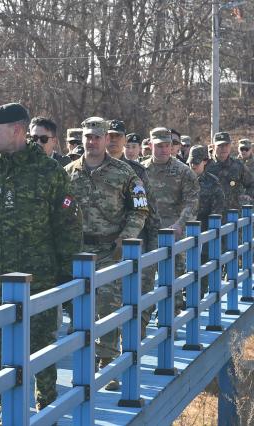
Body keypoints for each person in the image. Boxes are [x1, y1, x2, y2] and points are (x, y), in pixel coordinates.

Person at [0, 103, 82, 412]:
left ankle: (47, 407)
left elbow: (67, 223)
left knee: (41, 347)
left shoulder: (49, 171)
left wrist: (67, 271)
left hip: (39, 277)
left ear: (16, 130)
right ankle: (9, 409)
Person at [65, 117, 148, 391]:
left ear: (105, 140)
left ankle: (107, 363)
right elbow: (59, 210)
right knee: (80, 309)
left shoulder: (124, 173)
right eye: (88, 137)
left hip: (110, 249)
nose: (92, 142)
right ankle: (84, 360)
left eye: (97, 137)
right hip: (78, 251)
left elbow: (140, 207)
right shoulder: (68, 173)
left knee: (107, 307)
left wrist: (126, 238)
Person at [106, 121, 161, 337]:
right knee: (107, 303)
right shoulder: (88, 169)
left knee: (139, 297)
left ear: (125, 140)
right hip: (104, 249)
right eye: (109, 135)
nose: (112, 140)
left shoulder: (136, 172)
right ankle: (107, 354)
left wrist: (155, 251)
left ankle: (135, 338)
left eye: (117, 136)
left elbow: (151, 212)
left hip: (135, 245)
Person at [142, 127, 199, 313]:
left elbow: (192, 202)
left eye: (167, 145)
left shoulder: (183, 172)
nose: (164, 149)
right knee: (144, 283)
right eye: (159, 146)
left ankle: (169, 325)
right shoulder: (140, 170)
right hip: (146, 233)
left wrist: (180, 224)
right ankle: (141, 327)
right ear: (150, 145)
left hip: (173, 233)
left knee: (173, 283)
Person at [187, 145, 225, 295]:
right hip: (183, 231)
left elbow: (218, 209)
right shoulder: (182, 178)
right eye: (191, 162)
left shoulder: (213, 183)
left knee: (201, 269)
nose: (193, 165)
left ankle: (197, 295)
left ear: (205, 162)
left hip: (204, 231)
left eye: (197, 162)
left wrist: (211, 231)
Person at [206, 132, 254, 212]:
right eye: (220, 146)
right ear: (214, 147)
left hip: (233, 215)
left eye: (226, 145)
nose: (224, 148)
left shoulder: (238, 165)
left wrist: (248, 195)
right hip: (211, 215)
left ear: (230, 146)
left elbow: (252, 183)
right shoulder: (206, 166)